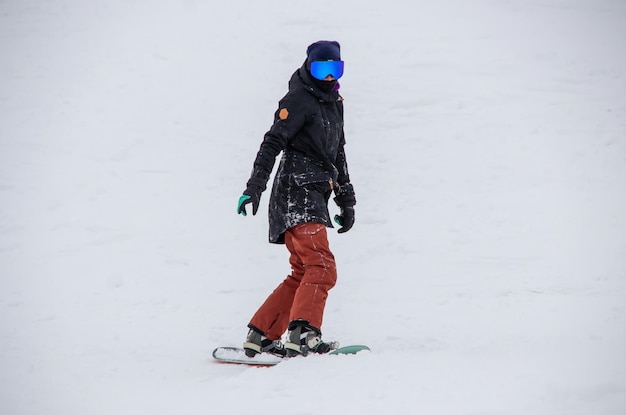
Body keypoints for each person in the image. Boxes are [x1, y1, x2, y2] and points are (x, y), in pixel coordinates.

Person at [236, 40, 356, 358]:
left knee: (304, 269)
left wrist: (347, 200)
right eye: (322, 69)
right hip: (295, 192)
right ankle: (303, 333)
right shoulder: (299, 99)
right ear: (308, 66)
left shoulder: (334, 103)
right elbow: (272, 141)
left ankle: (261, 334)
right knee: (321, 266)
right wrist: (254, 187)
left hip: (313, 192)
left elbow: (337, 153)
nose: (328, 77)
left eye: (335, 69)